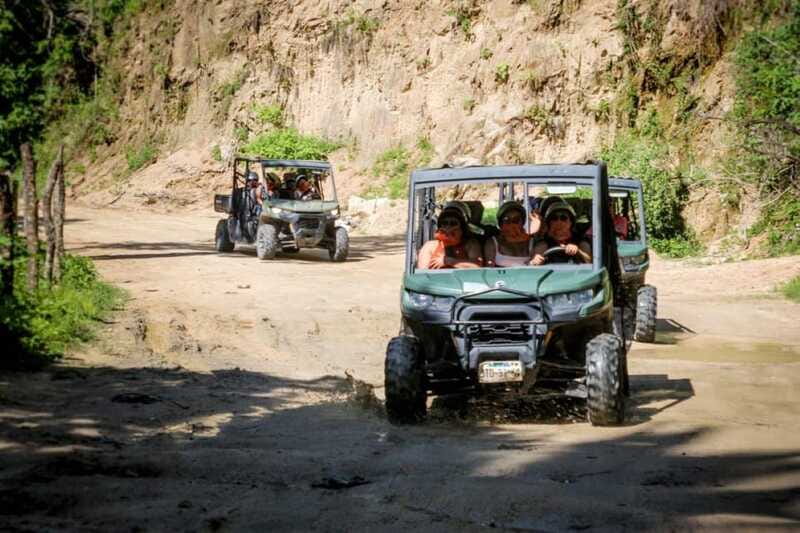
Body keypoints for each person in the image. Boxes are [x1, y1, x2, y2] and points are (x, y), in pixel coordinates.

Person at [416, 201, 483, 269]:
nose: (448, 227)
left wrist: (449, 261)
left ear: (462, 228)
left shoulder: (471, 244)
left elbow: (477, 266)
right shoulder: (430, 246)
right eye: (444, 223)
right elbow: (422, 272)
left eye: (453, 223)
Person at [531, 200, 592, 265]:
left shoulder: (581, 241)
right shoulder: (543, 243)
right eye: (554, 218)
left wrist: (578, 251)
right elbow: (533, 262)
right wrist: (534, 261)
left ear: (571, 222)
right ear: (549, 222)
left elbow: (589, 261)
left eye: (563, 218)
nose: (559, 222)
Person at [484, 201, 534, 267]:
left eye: (516, 220)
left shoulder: (532, 242)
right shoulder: (492, 243)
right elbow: (489, 270)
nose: (512, 223)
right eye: (507, 220)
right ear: (501, 224)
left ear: (522, 222)